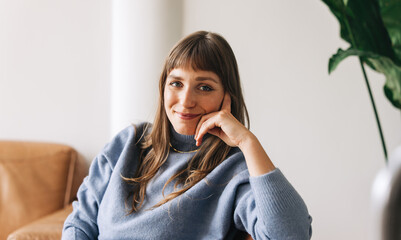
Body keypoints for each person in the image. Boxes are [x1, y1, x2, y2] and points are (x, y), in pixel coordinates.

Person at [62, 31, 312, 240]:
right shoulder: (129, 142)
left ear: (227, 97)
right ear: (163, 87)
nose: (186, 101)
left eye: (204, 87)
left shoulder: (234, 169)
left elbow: (291, 235)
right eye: (176, 83)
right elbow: (80, 224)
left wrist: (248, 142)